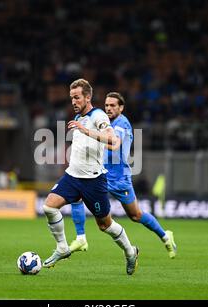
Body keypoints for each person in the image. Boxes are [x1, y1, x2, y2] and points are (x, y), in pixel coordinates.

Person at [42, 79, 139, 275]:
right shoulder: (79, 115)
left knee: (105, 225)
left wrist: (87, 131)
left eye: (77, 97)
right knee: (49, 207)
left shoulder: (98, 116)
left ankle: (130, 251)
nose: (73, 101)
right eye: (71, 98)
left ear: (88, 97)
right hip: (72, 176)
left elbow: (113, 140)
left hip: (93, 181)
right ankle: (62, 248)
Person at [69, 92, 177, 258]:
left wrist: (90, 138)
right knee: (77, 194)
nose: (109, 108)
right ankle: (80, 237)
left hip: (119, 178)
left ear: (121, 107)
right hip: (101, 175)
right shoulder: (104, 123)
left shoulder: (121, 123)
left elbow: (114, 145)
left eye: (113, 105)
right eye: (106, 105)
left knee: (136, 215)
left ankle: (165, 236)